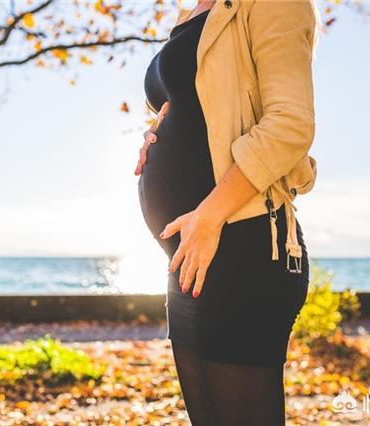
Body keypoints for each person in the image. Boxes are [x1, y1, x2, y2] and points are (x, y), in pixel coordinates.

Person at [135, 0, 321, 424]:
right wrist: (155, 134)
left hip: (244, 244)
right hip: (188, 257)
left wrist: (208, 215)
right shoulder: (191, 14)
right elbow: (202, 108)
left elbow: (290, 123)